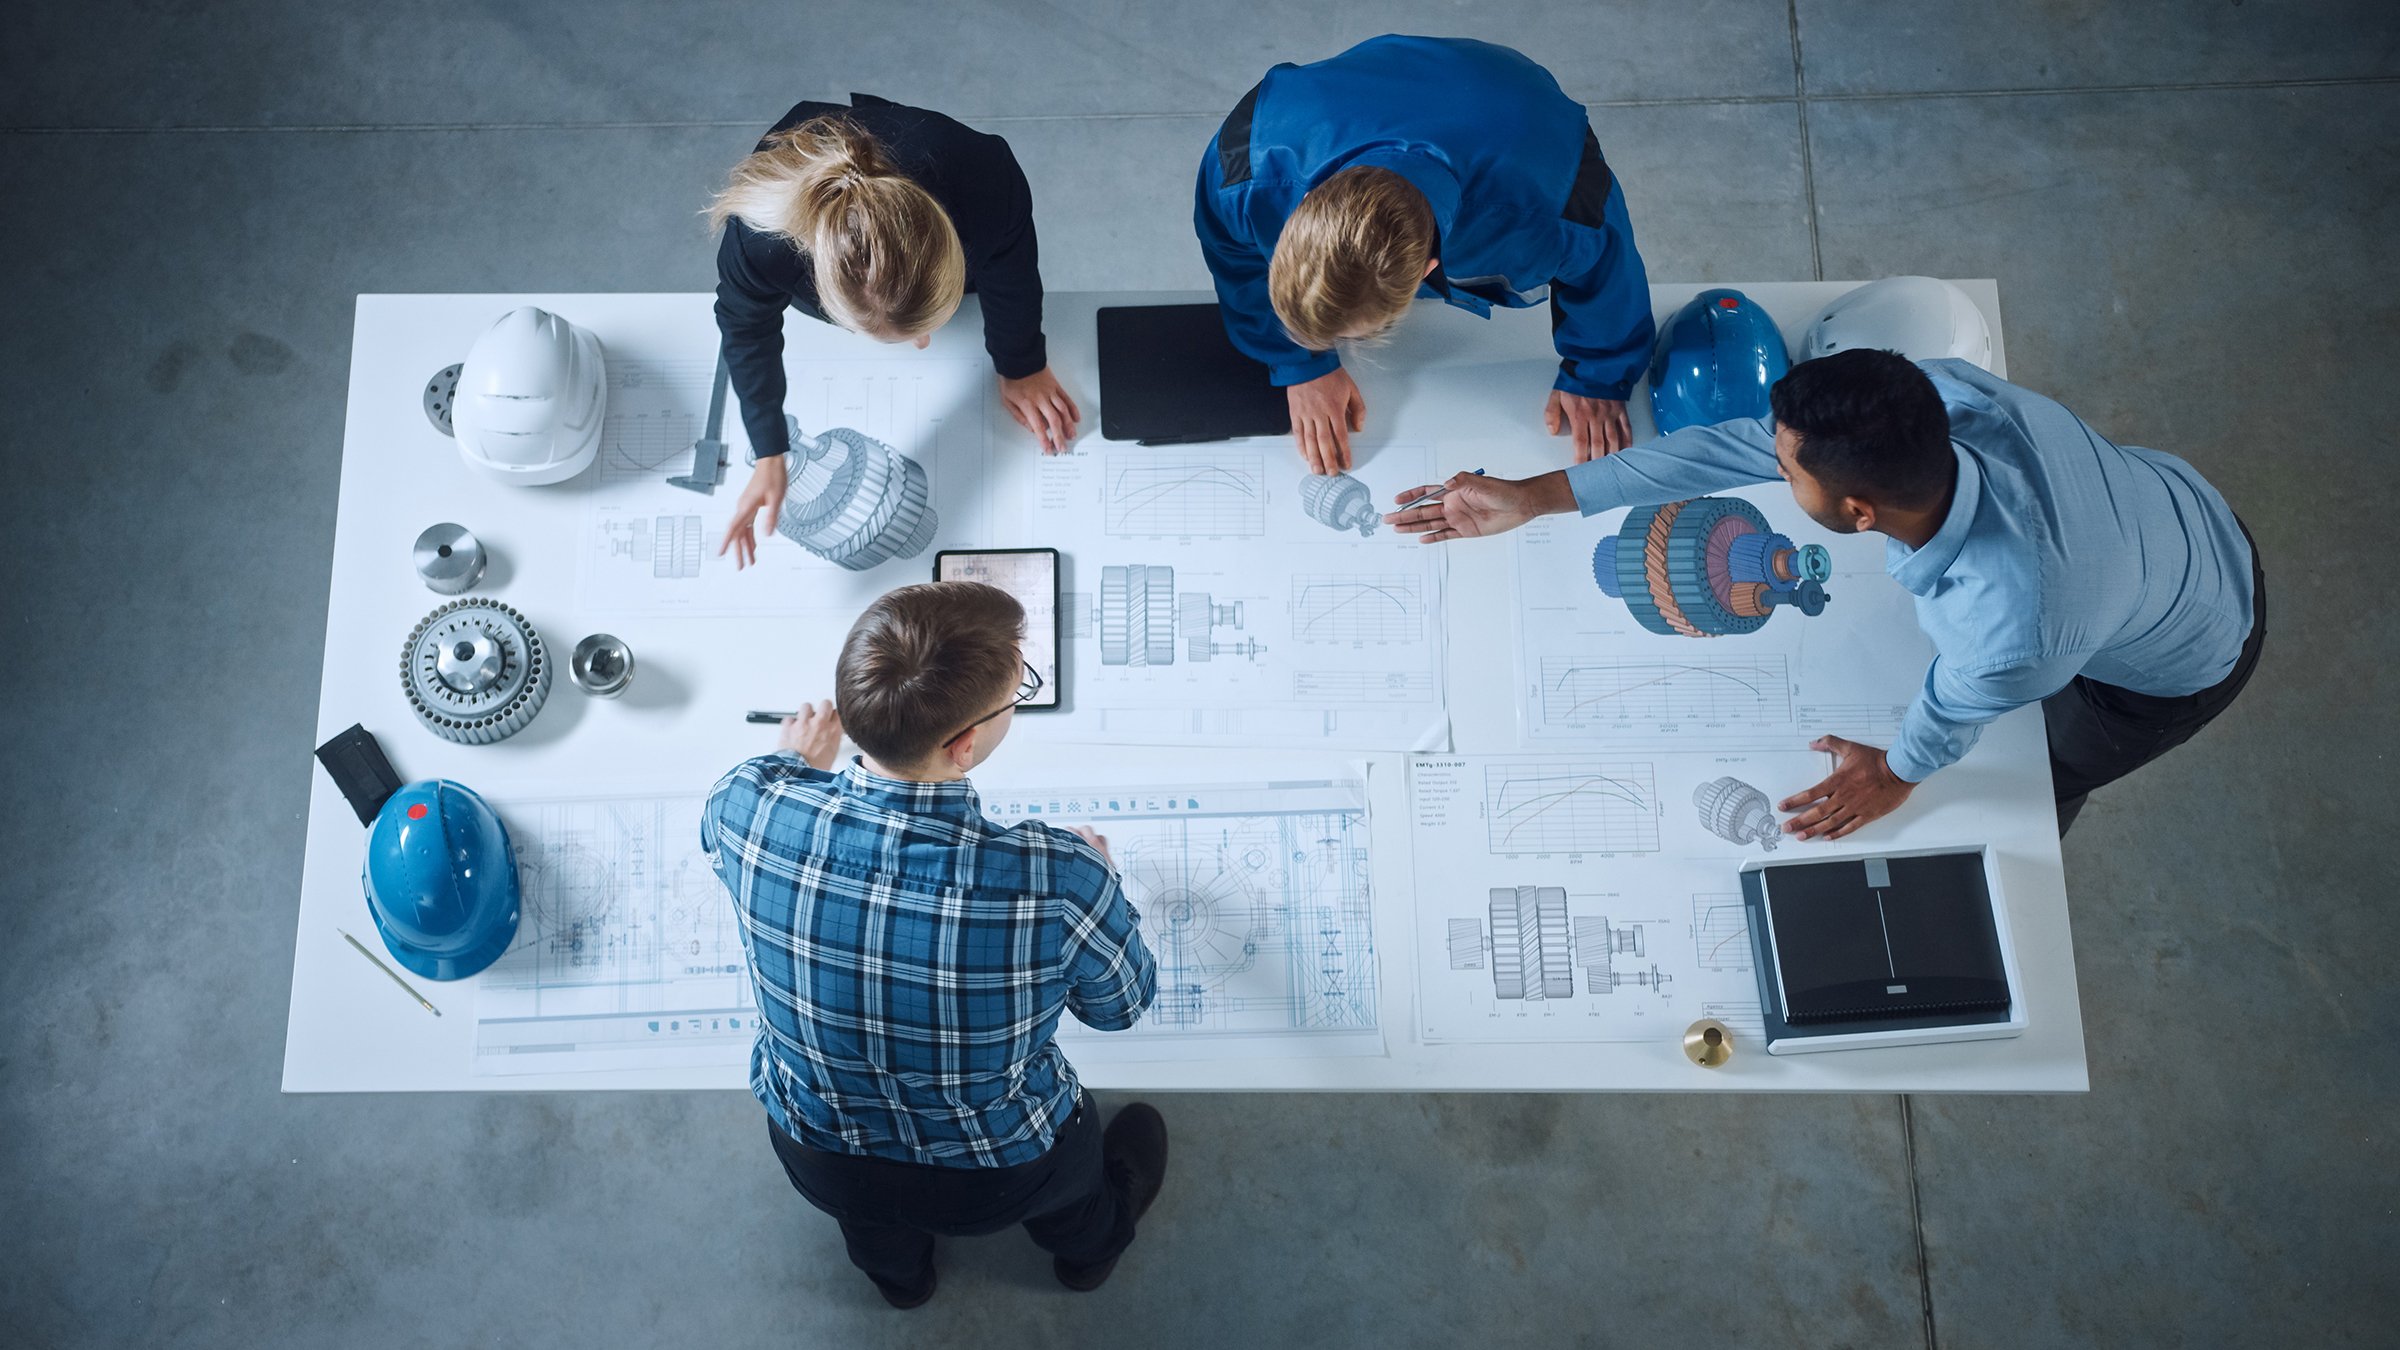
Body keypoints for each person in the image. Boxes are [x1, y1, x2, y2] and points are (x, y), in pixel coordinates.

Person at [1385, 349, 2264, 837]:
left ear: (1856, 510)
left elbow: (1950, 713)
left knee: (2033, 777)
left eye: (1784, 467)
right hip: (2177, 508)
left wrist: (1892, 772)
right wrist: (1535, 497)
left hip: (2178, 654)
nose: (1766, 464)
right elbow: (1726, 450)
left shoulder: (2011, 628)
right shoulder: (1946, 395)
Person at [701, 582, 1168, 1307]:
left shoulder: (747, 806)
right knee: (1077, 1200)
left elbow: (753, 790)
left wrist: (794, 765)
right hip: (1001, 1168)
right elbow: (1122, 1008)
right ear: (964, 745)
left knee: (872, 1229)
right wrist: (1099, 884)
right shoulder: (1058, 881)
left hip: (821, 1151)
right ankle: (1088, 1258)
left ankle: (902, 1284)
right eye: (1018, 693)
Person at [1195, 35, 1655, 474]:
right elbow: (1234, 258)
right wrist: (1298, 363)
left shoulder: (1554, 207)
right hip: (1344, 98)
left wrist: (1598, 375)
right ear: (1289, 224)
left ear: (1427, 270)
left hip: (1514, 102)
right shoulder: (1245, 166)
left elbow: (1608, 273)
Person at [708, 95, 1082, 568]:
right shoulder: (760, 242)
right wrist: (770, 447)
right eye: (901, 337)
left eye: (926, 327)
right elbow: (744, 327)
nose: (923, 345)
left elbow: (1011, 268)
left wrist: (1022, 362)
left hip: (944, 190)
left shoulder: (983, 176)